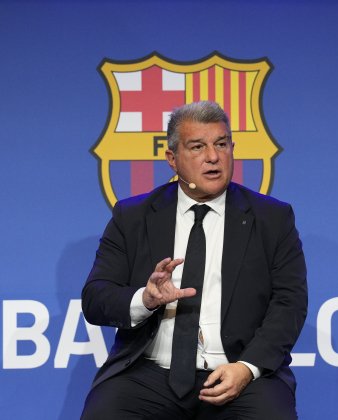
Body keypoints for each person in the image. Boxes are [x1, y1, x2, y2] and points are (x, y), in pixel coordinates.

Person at [81, 100, 307, 419]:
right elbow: (95, 298)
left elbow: (290, 302)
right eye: (197, 147)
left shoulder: (272, 219)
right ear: (172, 158)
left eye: (221, 144)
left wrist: (247, 368)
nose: (213, 157)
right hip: (148, 374)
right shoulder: (132, 217)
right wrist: (144, 299)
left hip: (239, 371)